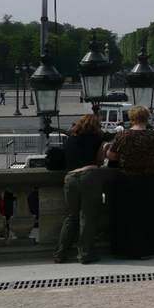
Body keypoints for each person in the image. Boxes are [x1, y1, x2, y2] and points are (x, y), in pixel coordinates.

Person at [105, 105, 154, 259]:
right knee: (149, 215)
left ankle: (129, 250)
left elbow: (112, 156)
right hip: (150, 180)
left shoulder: (122, 135)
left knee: (129, 216)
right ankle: (150, 249)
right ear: (147, 118)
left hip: (128, 180)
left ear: (131, 118)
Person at [53, 113, 107, 264]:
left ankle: (60, 252)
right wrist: (104, 149)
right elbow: (99, 162)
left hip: (70, 178)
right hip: (89, 176)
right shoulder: (97, 139)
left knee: (71, 216)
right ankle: (84, 253)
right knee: (87, 217)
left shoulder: (70, 140)